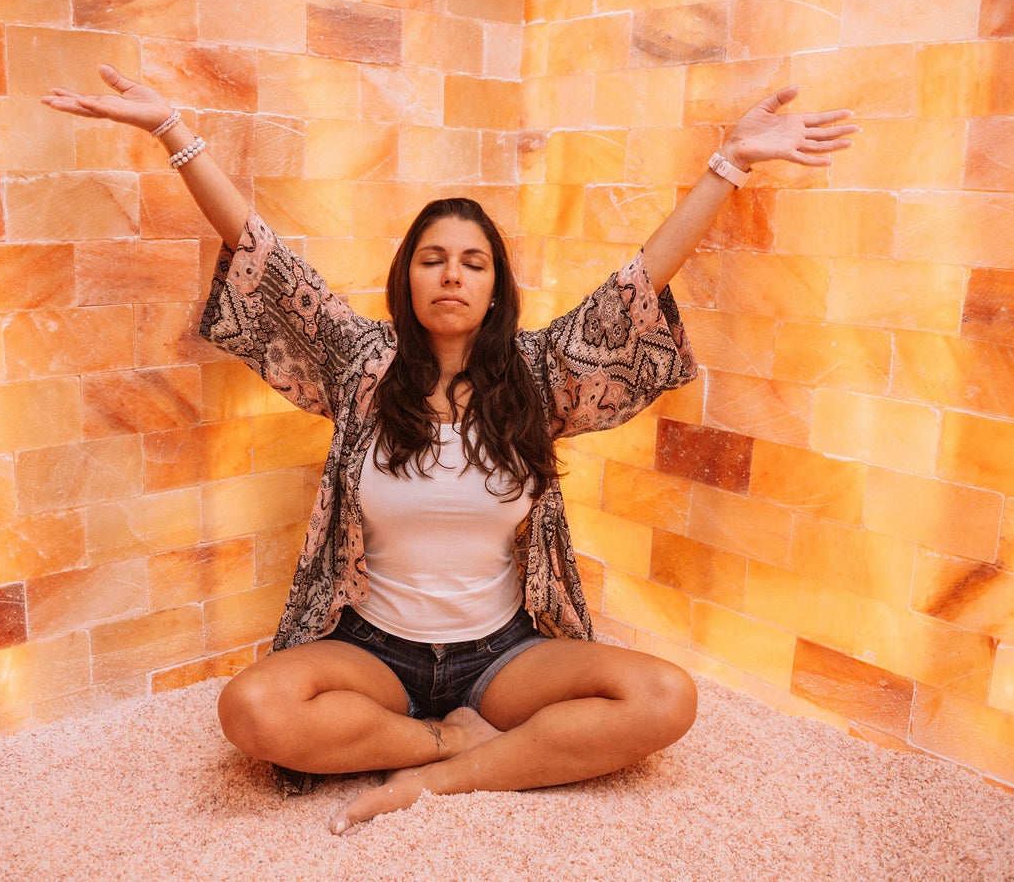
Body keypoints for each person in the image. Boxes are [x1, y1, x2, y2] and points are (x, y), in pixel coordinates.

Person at [43, 65, 857, 834]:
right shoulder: (360, 364)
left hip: (503, 656)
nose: (452, 275)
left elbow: (635, 287)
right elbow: (267, 259)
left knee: (663, 698)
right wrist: (173, 131)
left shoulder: (540, 376)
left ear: (496, 286)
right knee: (251, 713)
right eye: (432, 259)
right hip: (374, 652)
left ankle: (434, 778)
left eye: (473, 262)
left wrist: (731, 162)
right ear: (408, 277)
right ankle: (447, 744)